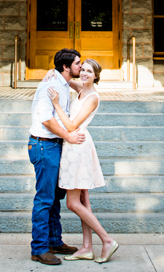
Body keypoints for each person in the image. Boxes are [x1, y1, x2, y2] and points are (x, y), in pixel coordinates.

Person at [47, 58, 118, 264]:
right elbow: (67, 80)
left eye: (89, 71)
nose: (84, 73)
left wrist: (56, 104)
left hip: (77, 147)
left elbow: (70, 126)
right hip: (73, 147)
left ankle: (107, 240)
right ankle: (87, 247)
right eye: (83, 69)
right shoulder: (81, 87)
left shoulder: (92, 98)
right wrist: (52, 71)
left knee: (72, 203)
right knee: (84, 200)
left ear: (96, 76)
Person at [28, 48, 86, 266]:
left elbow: (86, 86)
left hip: (55, 145)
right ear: (66, 66)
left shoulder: (61, 82)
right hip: (44, 146)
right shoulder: (50, 86)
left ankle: (54, 241)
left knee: (54, 198)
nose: (80, 66)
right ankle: (39, 248)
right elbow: (46, 120)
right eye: (77, 63)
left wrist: (54, 72)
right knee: (44, 198)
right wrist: (68, 136)